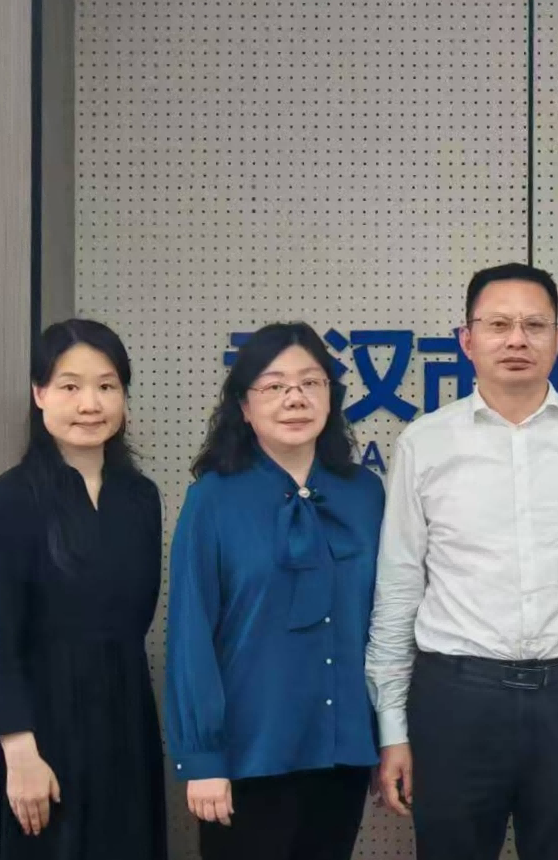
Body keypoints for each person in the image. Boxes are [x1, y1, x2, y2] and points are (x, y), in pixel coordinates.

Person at [366, 263, 558, 860]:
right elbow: (398, 589)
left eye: (534, 325)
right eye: (498, 325)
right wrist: (393, 727)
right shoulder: (425, 442)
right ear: (467, 340)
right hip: (455, 701)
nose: (517, 339)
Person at [165, 322, 385, 860]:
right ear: (244, 406)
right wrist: (203, 758)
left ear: (331, 396)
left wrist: (390, 735)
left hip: (342, 748)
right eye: (274, 385)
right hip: (249, 751)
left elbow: (385, 620)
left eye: (311, 382)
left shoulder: (364, 494)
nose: (295, 398)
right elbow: (191, 632)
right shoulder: (213, 499)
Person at [0, 318, 167, 860]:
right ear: (39, 394)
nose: (90, 404)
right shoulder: (6, 503)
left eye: (107, 386)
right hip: (38, 732)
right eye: (70, 386)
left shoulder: (140, 498)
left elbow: (135, 620)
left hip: (123, 721)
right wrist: (20, 753)